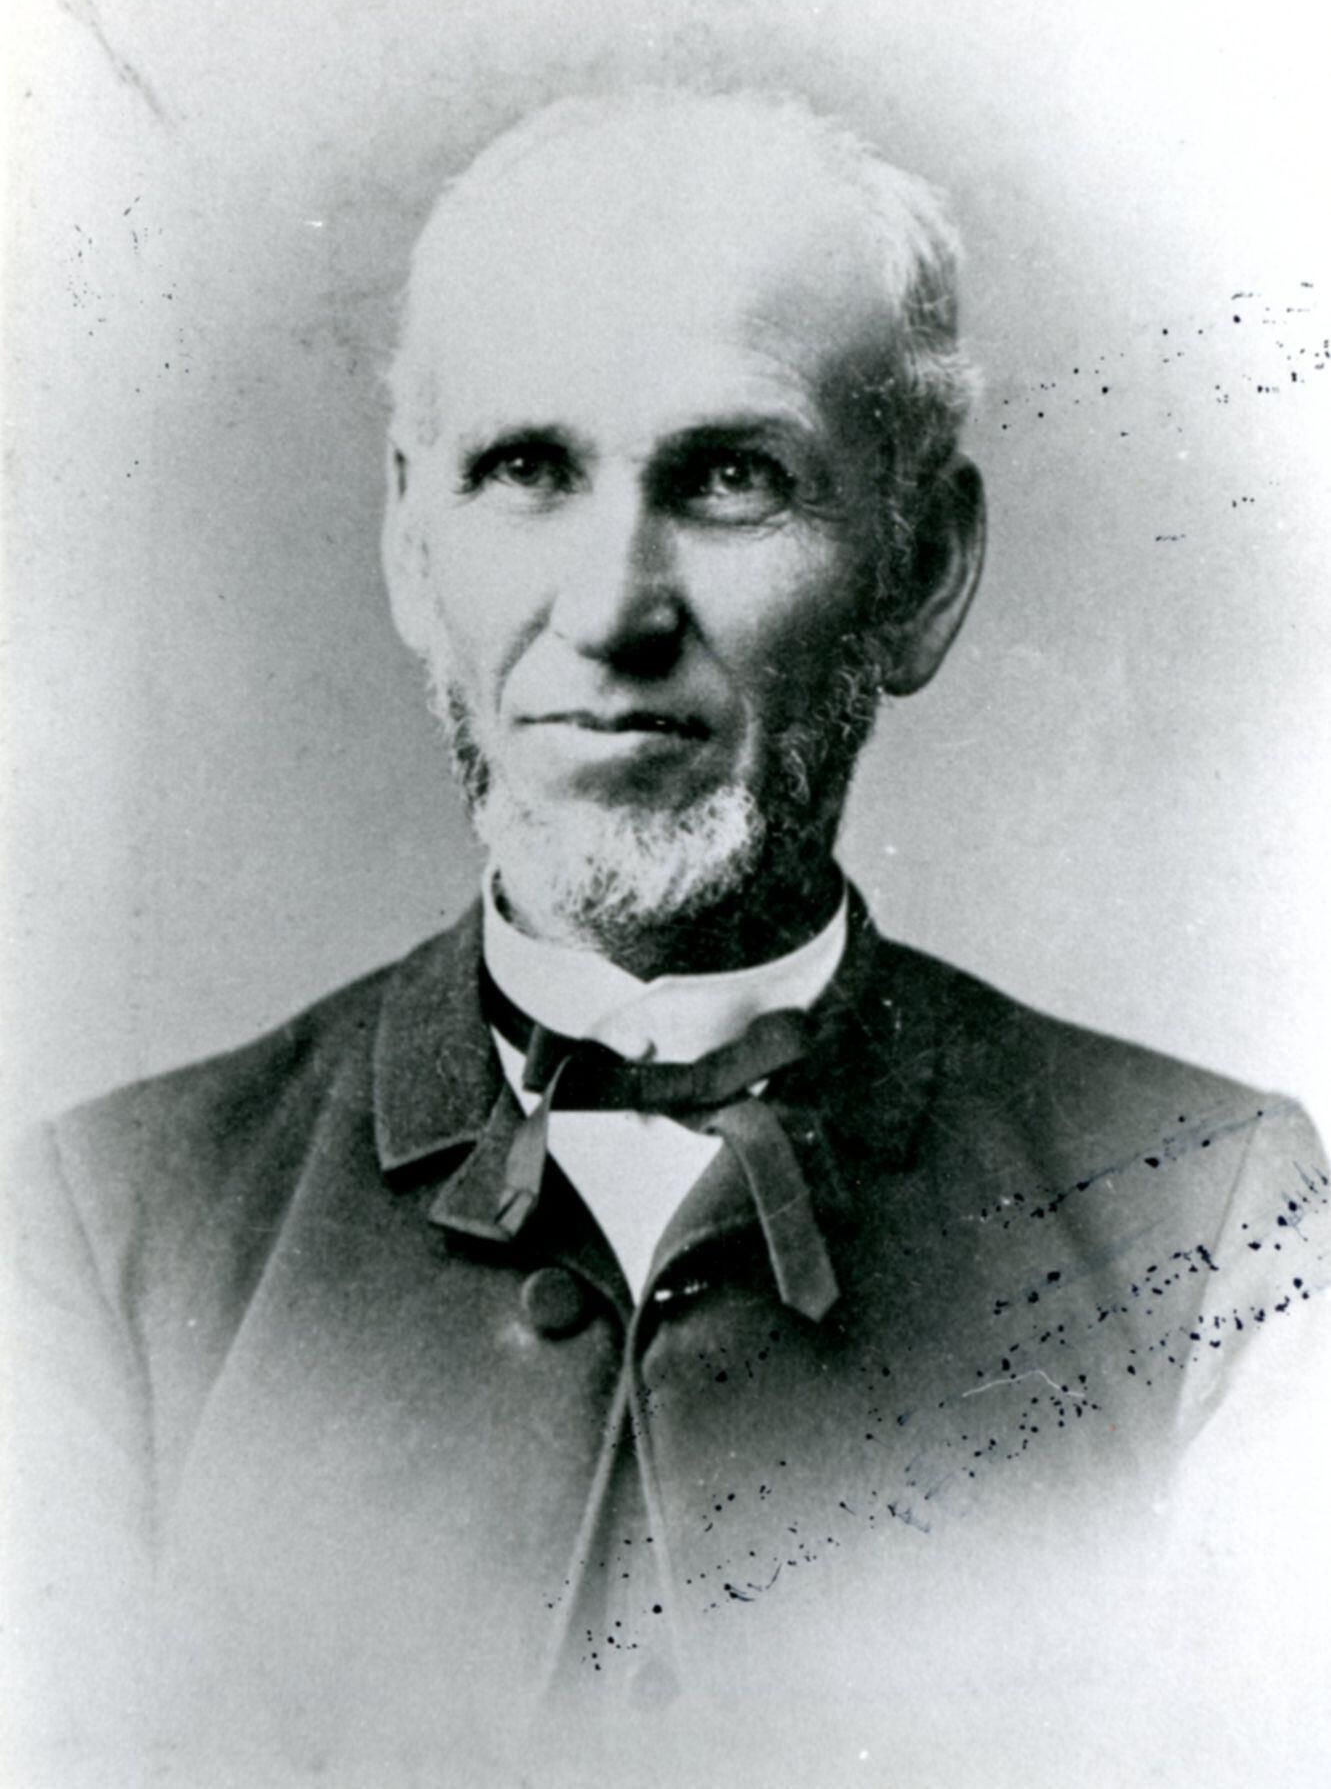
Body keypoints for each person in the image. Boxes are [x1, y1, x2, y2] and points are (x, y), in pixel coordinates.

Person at [8, 89, 1328, 1787]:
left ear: (923, 569)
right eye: (526, 471)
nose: (615, 608)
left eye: (729, 478)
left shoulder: (1218, 1240)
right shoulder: (101, 1242)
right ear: (410, 542)